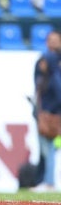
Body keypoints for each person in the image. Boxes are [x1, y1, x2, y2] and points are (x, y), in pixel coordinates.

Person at [32, 30, 61, 192]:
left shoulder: (48, 60)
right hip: (49, 110)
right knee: (50, 148)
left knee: (48, 148)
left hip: (51, 112)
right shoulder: (50, 61)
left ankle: (49, 181)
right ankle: (49, 180)